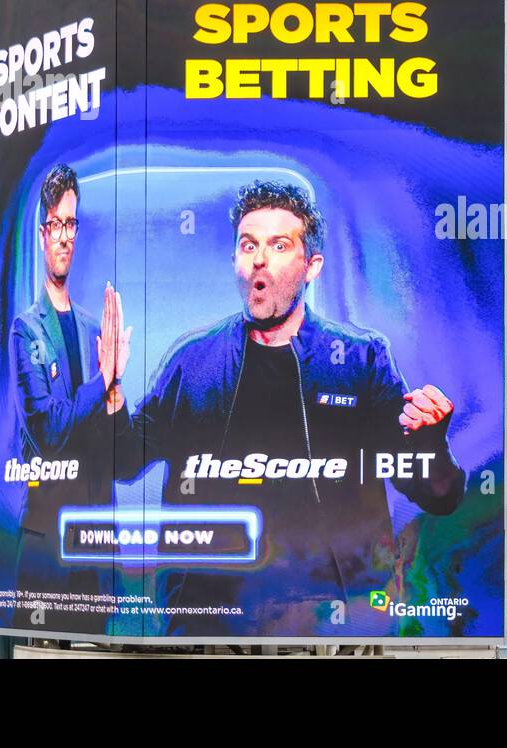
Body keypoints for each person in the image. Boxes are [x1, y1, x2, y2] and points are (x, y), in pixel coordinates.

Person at [131, 180, 465, 637]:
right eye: (248, 245)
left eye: (279, 245)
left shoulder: (360, 359)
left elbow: (437, 496)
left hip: (335, 616)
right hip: (211, 618)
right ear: (235, 260)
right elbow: (125, 458)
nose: (259, 259)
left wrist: (430, 442)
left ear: (311, 266)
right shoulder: (193, 362)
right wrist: (107, 393)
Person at [8, 163, 131, 631]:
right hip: (46, 549)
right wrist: (103, 380)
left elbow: (120, 457)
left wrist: (116, 391)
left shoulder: (94, 330)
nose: (64, 236)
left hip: (94, 547)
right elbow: (50, 429)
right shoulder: (26, 330)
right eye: (56, 225)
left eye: (72, 224)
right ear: (43, 234)